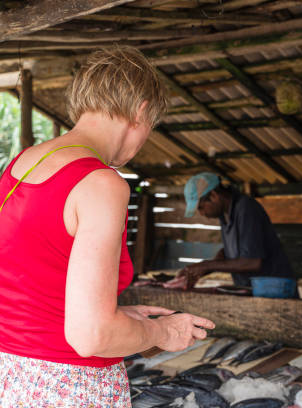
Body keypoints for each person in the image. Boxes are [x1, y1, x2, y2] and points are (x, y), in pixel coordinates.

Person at [0, 46, 214, 406]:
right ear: (141, 111)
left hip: (12, 375)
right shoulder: (102, 183)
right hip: (66, 385)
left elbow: (36, 289)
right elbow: (91, 335)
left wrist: (125, 318)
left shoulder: (21, 165)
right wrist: (161, 332)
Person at [164, 172, 295, 289]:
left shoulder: (246, 209)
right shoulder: (225, 215)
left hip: (275, 289)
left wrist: (207, 265)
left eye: (201, 207)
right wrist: (201, 269)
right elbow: (229, 252)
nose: (202, 213)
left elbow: (252, 262)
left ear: (214, 196)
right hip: (253, 289)